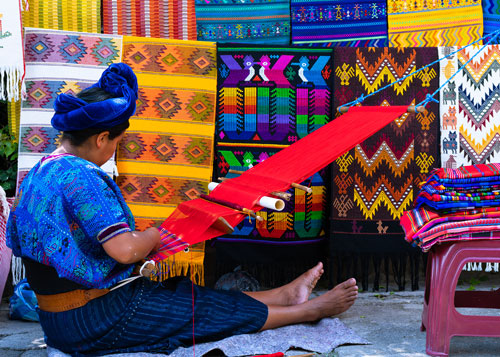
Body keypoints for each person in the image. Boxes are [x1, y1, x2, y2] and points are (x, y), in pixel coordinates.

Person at [6, 63, 358, 356]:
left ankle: (282, 296)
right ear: (101, 139)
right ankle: (310, 310)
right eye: (116, 141)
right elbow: (126, 250)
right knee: (198, 312)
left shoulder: (41, 170)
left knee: (182, 295)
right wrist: (154, 235)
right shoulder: (81, 177)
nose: (114, 149)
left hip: (60, 320)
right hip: (92, 321)